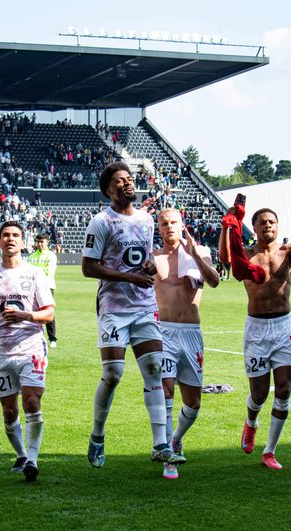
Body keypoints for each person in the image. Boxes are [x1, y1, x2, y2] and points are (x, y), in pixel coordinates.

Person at [82, 161, 173, 469]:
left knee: (154, 370)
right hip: (114, 308)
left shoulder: (147, 220)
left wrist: (149, 265)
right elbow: (88, 267)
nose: (127, 183)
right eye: (119, 181)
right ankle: (97, 435)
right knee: (113, 374)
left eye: (129, 179)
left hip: (145, 307)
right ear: (109, 190)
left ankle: (160, 444)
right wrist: (131, 278)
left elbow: (145, 258)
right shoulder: (101, 221)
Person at [219, 204, 291, 469]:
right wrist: (227, 227)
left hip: (284, 327)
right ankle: (251, 422)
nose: (268, 226)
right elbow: (224, 258)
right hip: (256, 329)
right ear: (254, 227)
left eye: (272, 222)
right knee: (259, 393)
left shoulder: (288, 252)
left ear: (278, 226)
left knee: (284, 390)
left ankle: (270, 451)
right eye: (262, 222)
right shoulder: (246, 254)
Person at [0, 222, 54, 482]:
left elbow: (49, 313)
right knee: (9, 411)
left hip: (31, 348)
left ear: (23, 242)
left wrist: (25, 315)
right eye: (6, 235)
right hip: (3, 352)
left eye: (16, 235)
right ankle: (21, 454)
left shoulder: (35, 274)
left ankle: (33, 460)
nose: (11, 239)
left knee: (31, 402)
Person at [152, 208, 219, 479]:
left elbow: (213, 280)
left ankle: (176, 438)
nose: (169, 227)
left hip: (191, 331)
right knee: (166, 391)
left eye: (174, 223)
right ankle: (168, 453)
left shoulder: (199, 252)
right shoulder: (153, 256)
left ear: (183, 225)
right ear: (159, 228)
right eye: (164, 223)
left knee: (193, 403)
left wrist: (193, 255)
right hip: (163, 331)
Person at [27, 233, 58, 348]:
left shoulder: (51, 256)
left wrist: (34, 272)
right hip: (32, 287)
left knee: (49, 312)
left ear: (47, 243)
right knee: (32, 311)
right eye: (38, 242)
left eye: (42, 242)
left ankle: (52, 339)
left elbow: (48, 272)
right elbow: (27, 271)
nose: (40, 244)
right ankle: (33, 336)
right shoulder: (32, 256)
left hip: (47, 286)